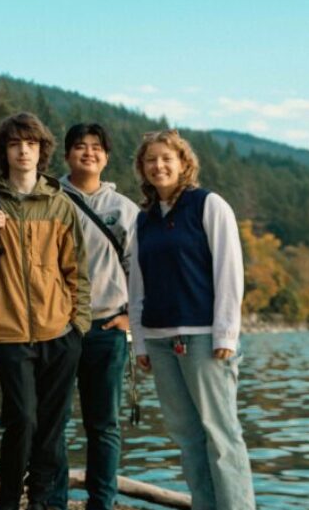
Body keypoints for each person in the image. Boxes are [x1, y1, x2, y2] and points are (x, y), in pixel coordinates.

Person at [0, 112, 90, 510]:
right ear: (3, 151)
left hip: (59, 333)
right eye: (14, 144)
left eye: (31, 143)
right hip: (9, 332)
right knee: (22, 421)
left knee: (52, 429)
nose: (23, 150)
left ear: (41, 151)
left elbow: (78, 272)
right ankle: (9, 500)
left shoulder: (60, 204)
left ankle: (46, 502)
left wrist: (78, 325)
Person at [129, 130, 255, 510]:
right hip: (159, 340)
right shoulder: (144, 219)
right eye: (150, 159)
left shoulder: (209, 205)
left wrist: (226, 334)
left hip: (204, 338)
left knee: (221, 435)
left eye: (166, 157)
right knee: (187, 437)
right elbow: (137, 284)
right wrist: (139, 342)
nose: (158, 165)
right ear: (143, 168)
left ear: (184, 163)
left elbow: (230, 271)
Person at [47, 123, 139, 510]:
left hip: (107, 328)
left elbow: (141, 269)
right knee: (54, 422)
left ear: (107, 156)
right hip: (59, 328)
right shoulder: (49, 199)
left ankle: (102, 501)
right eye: (80, 146)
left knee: (104, 426)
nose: (88, 153)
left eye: (97, 147)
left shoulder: (124, 209)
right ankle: (53, 499)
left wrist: (131, 318)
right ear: (66, 154)